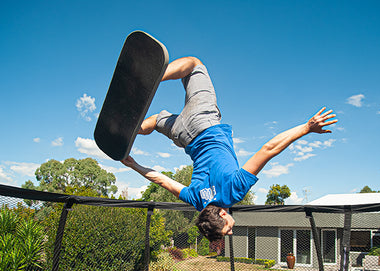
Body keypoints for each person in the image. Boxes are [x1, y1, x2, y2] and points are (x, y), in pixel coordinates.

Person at [121, 56, 337, 241]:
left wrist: (307, 128)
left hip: (203, 120)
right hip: (182, 135)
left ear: (223, 214)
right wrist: (134, 165)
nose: (232, 231)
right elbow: (162, 180)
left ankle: (153, 78)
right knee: (158, 120)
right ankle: (133, 129)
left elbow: (269, 149)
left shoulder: (234, 191)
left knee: (195, 65)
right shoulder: (196, 201)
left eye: (228, 228)